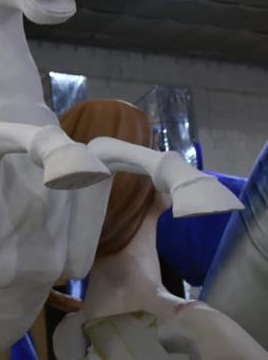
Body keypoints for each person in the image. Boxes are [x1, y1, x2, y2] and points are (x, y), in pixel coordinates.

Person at [51, 99, 267, 360]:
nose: (165, 156)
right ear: (136, 174)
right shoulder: (196, 326)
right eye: (153, 147)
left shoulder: (68, 334)